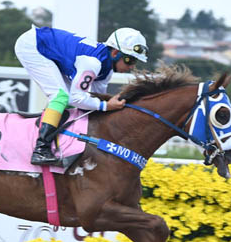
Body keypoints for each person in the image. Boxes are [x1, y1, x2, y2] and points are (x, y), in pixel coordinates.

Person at [14, 26, 149, 166]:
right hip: (33, 45)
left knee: (69, 99)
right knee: (61, 96)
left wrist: (109, 104)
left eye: (135, 61)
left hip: (48, 47)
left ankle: (58, 138)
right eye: (129, 60)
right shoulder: (93, 63)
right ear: (115, 53)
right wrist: (106, 105)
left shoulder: (106, 70)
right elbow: (77, 99)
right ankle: (41, 150)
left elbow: (96, 98)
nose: (132, 66)